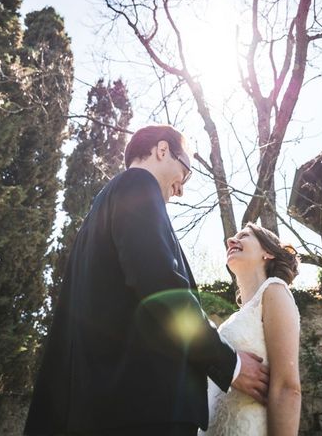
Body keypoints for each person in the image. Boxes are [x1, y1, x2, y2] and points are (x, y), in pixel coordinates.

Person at [24, 125, 268, 436]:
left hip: (102, 408)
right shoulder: (138, 184)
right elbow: (162, 286)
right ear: (162, 150)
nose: (181, 189)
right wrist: (228, 363)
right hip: (144, 409)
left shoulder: (101, 210)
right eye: (186, 172)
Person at [200, 223, 302, 436]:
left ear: (268, 252)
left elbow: (287, 388)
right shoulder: (233, 319)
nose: (231, 241)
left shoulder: (274, 290)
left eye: (244, 235)